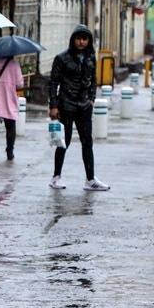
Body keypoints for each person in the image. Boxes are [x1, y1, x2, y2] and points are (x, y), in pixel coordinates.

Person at [48, 24, 110, 191]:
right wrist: (53, 106)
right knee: (63, 141)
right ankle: (56, 176)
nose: (81, 42)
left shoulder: (90, 58)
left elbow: (93, 79)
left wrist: (92, 99)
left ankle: (90, 179)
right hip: (66, 105)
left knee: (87, 142)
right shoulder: (62, 58)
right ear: (73, 40)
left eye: (84, 39)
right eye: (78, 38)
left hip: (84, 106)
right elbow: (53, 82)